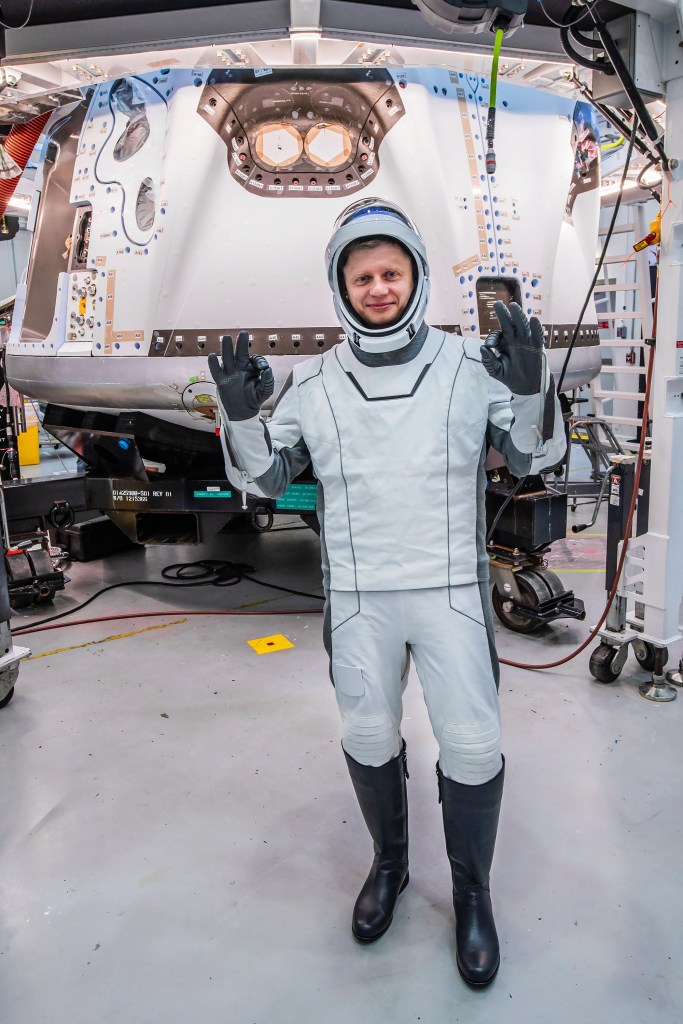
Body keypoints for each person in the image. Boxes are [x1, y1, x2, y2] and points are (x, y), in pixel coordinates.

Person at [209, 198, 566, 987]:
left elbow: (530, 455)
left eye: (390, 272)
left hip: (450, 596)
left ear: (415, 276)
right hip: (361, 601)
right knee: (369, 738)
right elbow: (265, 479)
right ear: (341, 286)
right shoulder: (315, 383)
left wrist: (535, 387)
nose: (377, 287)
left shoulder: (470, 365)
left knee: (471, 748)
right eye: (361, 275)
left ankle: (471, 895)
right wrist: (241, 418)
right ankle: (390, 866)